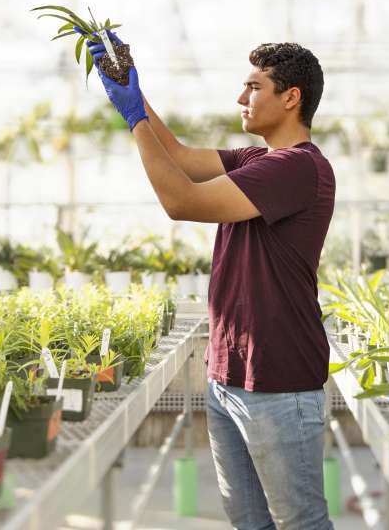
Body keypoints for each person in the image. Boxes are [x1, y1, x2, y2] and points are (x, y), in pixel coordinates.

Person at [77, 28, 336, 530]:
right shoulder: (258, 160)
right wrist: (131, 88)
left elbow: (182, 201)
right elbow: (175, 157)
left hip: (279, 382)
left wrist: (134, 118)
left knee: (300, 523)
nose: (241, 98)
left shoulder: (298, 169)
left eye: (254, 87)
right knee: (250, 524)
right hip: (228, 378)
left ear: (291, 98)